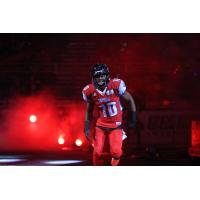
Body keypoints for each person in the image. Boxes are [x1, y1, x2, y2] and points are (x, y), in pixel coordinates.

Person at [82, 63, 136, 166]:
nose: (100, 78)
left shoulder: (115, 85)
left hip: (116, 125)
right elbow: (89, 110)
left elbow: (130, 100)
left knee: (116, 152)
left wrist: (133, 118)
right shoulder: (90, 90)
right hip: (101, 125)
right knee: (97, 152)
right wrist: (87, 127)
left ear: (107, 75)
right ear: (93, 77)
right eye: (97, 76)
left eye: (102, 75)